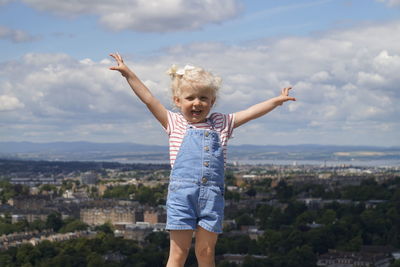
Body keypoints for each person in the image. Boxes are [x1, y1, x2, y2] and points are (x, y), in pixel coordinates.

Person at [109, 53, 296, 267]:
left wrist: (276, 101)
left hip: (212, 197)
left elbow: (251, 112)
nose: (197, 103)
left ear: (212, 101)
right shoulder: (174, 122)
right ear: (177, 101)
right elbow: (149, 99)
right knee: (178, 253)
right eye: (190, 98)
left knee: (206, 251)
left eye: (203, 98)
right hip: (182, 196)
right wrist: (128, 74)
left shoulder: (221, 122)